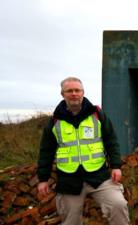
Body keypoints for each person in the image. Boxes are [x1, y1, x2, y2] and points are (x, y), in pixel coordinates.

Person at [37, 77, 129, 225]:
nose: (74, 93)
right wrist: (43, 179)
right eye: (69, 91)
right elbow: (46, 151)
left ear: (83, 92)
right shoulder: (55, 120)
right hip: (68, 180)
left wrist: (116, 166)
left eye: (77, 90)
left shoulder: (97, 114)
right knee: (70, 221)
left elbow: (111, 141)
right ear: (62, 94)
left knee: (118, 205)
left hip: (99, 176)